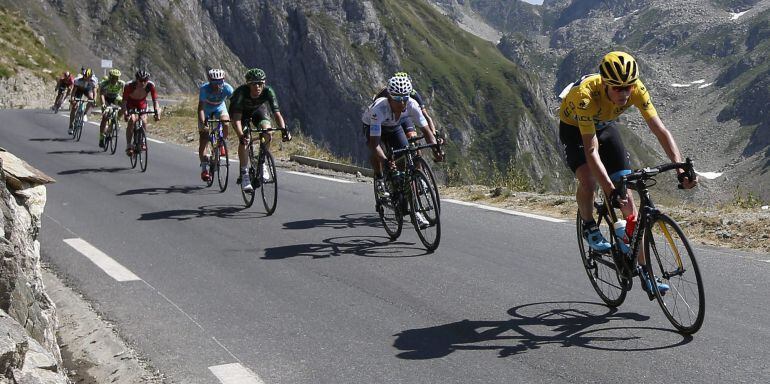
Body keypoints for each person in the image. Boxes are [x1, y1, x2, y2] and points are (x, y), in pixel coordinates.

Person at [558, 51, 697, 293]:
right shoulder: (585, 96)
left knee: (628, 201)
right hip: (576, 131)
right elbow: (591, 152)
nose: (624, 94)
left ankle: (645, 271)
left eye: (628, 88)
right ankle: (589, 224)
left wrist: (679, 166)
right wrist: (609, 191)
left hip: (605, 127)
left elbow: (659, 129)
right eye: (618, 88)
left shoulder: (637, 89)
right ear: (605, 84)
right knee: (589, 181)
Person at [362, 76, 442, 227]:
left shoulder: (412, 104)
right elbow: (374, 144)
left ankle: (414, 210)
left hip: (394, 127)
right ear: (389, 98)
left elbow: (427, 132)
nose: (402, 102)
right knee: (380, 155)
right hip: (373, 127)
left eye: (405, 98)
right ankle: (380, 179)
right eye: (398, 99)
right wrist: (386, 161)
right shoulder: (378, 110)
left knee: (405, 162)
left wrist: (435, 149)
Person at [229, 68, 291, 192]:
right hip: (240, 113)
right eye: (254, 84)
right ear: (248, 84)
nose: (257, 87)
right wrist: (241, 135)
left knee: (268, 132)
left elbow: (277, 114)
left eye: (260, 84)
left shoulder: (268, 91)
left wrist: (284, 130)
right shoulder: (241, 93)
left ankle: (262, 162)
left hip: (258, 110)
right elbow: (236, 120)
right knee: (245, 139)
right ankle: (244, 173)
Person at [372, 72, 438, 141]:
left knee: (412, 136)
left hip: (404, 117)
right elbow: (375, 109)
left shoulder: (414, 94)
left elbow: (426, 116)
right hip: (387, 118)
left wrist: (433, 133)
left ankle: (416, 150)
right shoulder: (385, 91)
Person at [197, 68, 234, 182]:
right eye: (214, 83)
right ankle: (204, 168)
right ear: (210, 81)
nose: (217, 86)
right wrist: (203, 123)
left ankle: (221, 142)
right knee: (204, 138)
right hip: (206, 110)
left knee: (225, 122)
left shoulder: (228, 88)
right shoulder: (204, 88)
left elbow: (235, 103)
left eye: (220, 83)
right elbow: (200, 109)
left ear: (223, 81)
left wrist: (234, 116)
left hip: (219, 107)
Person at [121, 70, 160, 156]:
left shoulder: (150, 85)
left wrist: (157, 112)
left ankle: (142, 142)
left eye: (145, 80)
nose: (143, 83)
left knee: (144, 120)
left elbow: (155, 100)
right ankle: (128, 145)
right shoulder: (129, 86)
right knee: (132, 119)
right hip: (130, 104)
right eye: (141, 80)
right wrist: (125, 113)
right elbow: (124, 102)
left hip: (141, 104)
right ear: (136, 80)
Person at [98, 68, 125, 148]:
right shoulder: (104, 83)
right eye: (113, 77)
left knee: (124, 106)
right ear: (110, 77)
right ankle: (101, 137)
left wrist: (125, 106)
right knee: (105, 116)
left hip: (115, 97)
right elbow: (102, 95)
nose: (115, 79)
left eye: (117, 78)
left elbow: (124, 95)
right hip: (106, 98)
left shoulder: (121, 83)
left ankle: (117, 119)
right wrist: (103, 104)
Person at [68, 68, 98, 134]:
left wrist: (94, 100)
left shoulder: (93, 81)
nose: (86, 78)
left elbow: (95, 92)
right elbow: (73, 92)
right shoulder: (78, 80)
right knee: (74, 107)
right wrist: (72, 98)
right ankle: (71, 126)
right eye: (85, 76)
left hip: (87, 89)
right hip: (79, 90)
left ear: (91, 77)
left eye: (88, 77)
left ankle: (84, 114)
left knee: (91, 99)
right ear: (83, 75)